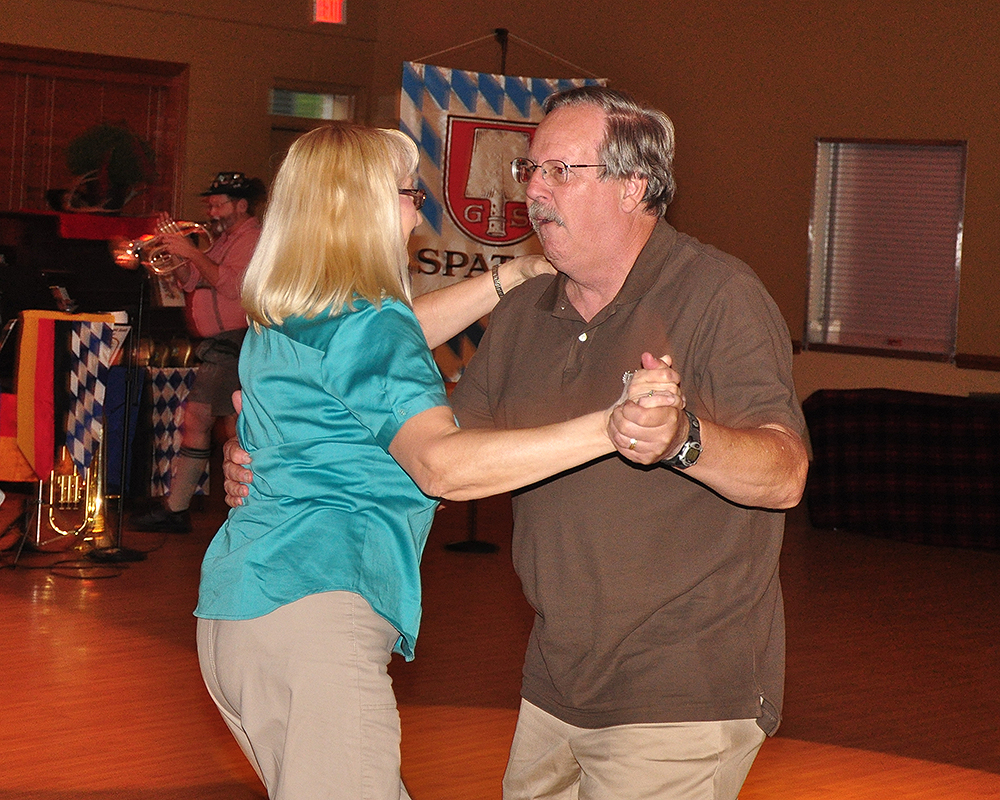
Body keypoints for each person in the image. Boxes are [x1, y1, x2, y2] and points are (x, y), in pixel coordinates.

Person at [226, 87, 809, 800]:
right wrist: (286, 466)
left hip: (678, 691)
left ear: (635, 186)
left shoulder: (717, 295)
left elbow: (784, 473)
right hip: (555, 683)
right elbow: (441, 459)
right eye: (529, 171)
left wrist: (682, 438)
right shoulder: (531, 310)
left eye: (560, 171)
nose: (533, 190)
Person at [195, 122, 676, 800]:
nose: (418, 206)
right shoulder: (367, 324)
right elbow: (442, 467)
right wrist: (613, 426)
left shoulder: (291, 312)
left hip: (239, 615)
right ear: (359, 208)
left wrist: (510, 276)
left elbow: (386, 345)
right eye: (406, 192)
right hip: (316, 614)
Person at [133, 171, 266, 533]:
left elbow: (230, 284)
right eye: (210, 203)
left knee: (202, 420)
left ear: (240, 205)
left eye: (218, 203)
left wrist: (190, 249)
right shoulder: (221, 240)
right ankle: (201, 506)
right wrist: (176, 252)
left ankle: (179, 508)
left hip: (232, 343)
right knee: (227, 427)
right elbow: (192, 281)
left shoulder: (251, 237)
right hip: (216, 346)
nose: (211, 209)